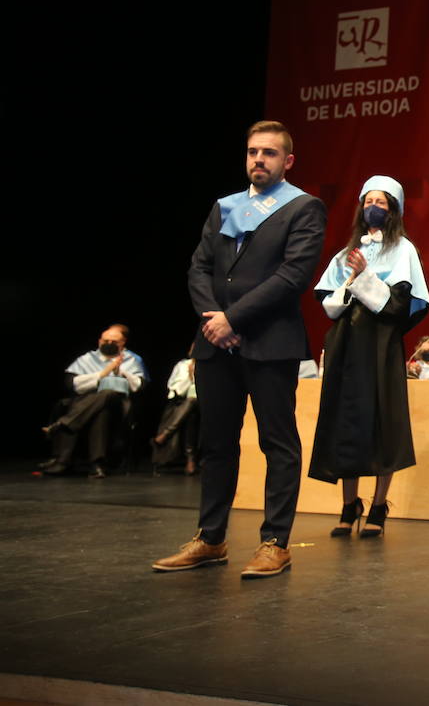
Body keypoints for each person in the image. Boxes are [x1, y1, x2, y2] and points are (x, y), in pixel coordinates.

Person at [153, 120, 326, 578]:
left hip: (270, 343)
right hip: (216, 345)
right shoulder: (225, 207)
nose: (258, 160)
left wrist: (235, 318)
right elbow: (198, 268)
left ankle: (275, 542)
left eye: (268, 153)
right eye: (252, 152)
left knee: (277, 443)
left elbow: (292, 276)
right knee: (216, 445)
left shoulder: (303, 208)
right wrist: (214, 320)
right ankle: (210, 539)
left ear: (287, 161)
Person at [312, 175, 429, 538]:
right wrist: (352, 283)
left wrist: (364, 280)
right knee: (346, 421)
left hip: (380, 346)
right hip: (346, 344)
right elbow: (328, 299)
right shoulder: (347, 252)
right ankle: (350, 505)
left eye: (381, 202)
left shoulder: (403, 251)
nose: (373, 208)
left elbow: (399, 305)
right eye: (368, 202)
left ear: (393, 209)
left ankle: (379, 505)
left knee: (383, 422)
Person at [41, 324, 146, 478]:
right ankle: (96, 464)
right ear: (99, 341)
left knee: (108, 393)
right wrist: (102, 374)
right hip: (88, 402)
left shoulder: (133, 359)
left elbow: (139, 386)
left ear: (123, 343)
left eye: (114, 342)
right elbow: (73, 384)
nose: (108, 344)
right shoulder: (87, 358)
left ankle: (63, 432)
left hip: (119, 404)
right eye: (105, 340)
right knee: (101, 410)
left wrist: (120, 371)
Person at [152, 342, 199, 476]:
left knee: (192, 402)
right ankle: (190, 459)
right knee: (190, 414)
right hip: (183, 401)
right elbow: (173, 385)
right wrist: (189, 377)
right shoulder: (182, 365)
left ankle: (165, 434)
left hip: (206, 403)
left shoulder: (211, 364)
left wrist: (195, 377)